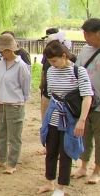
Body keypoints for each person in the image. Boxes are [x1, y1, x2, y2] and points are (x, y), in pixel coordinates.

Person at [37, 40, 93, 196]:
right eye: (49, 62)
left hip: (70, 119)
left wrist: (82, 120)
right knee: (51, 151)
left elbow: (87, 96)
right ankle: (49, 182)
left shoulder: (78, 71)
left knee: (65, 152)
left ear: (64, 55)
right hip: (54, 116)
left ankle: (61, 188)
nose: (52, 64)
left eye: (54, 61)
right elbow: (51, 95)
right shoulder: (51, 71)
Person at [0, 34, 31, 174]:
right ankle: (1, 158)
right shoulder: (1, 63)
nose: (0, 52)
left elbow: (26, 85)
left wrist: (22, 100)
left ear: (10, 49)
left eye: (2, 50)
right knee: (1, 133)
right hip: (0, 102)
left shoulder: (21, 66)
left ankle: (12, 163)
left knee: (14, 136)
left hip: (14, 104)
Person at [37, 32, 77, 155]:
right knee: (49, 126)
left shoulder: (75, 67)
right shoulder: (50, 67)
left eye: (54, 61)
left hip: (68, 109)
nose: (52, 64)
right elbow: (45, 70)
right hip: (51, 101)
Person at [71, 18, 100, 184]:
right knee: (85, 135)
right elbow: (77, 72)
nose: (86, 37)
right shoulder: (85, 51)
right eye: (84, 34)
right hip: (85, 102)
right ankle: (84, 166)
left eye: (89, 34)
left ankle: (97, 171)